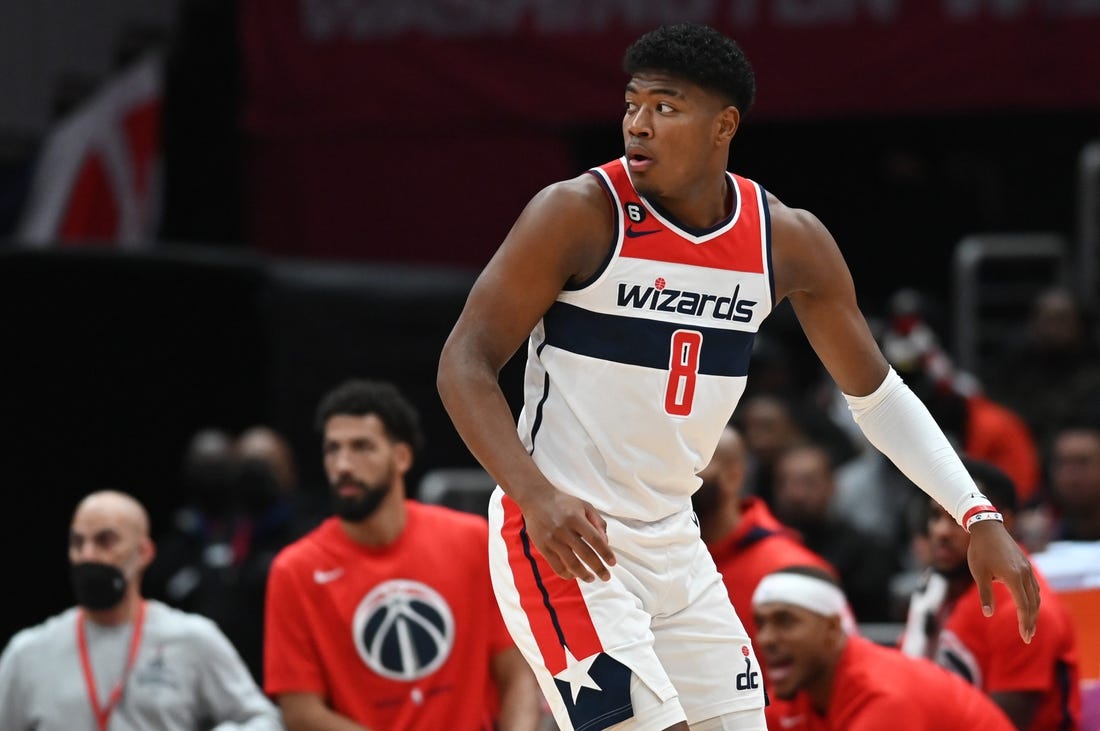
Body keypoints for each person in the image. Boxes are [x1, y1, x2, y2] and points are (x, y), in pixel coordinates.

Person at [436, 22, 1039, 731]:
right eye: (632, 104)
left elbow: (876, 396)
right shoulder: (578, 213)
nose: (639, 123)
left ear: (723, 125)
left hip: (676, 544)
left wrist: (977, 512)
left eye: (666, 106)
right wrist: (534, 494)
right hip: (566, 540)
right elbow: (465, 361)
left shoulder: (784, 239)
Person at [262, 379, 542, 731]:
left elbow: (517, 673)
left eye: (361, 447)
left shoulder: (470, 540)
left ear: (402, 457)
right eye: (332, 450)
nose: (343, 465)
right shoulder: (295, 570)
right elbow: (301, 714)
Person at [0, 490, 283, 731]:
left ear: (144, 552)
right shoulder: (28, 652)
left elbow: (265, 720)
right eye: (77, 543)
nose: (87, 555)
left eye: (105, 541)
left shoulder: (191, 638)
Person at [899, 457, 1082, 730]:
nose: (940, 532)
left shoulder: (1021, 609)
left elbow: (1001, 725)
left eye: (955, 518)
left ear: (1002, 523)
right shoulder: (936, 589)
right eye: (935, 516)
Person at [753, 566, 1016, 731]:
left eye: (785, 621)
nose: (766, 639)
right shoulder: (797, 694)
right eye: (760, 623)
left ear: (833, 629)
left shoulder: (884, 697)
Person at [693, 423, 835, 642]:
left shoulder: (791, 568)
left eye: (694, 464)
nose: (676, 476)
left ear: (732, 477)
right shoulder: (648, 553)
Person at [771, 443, 900, 622]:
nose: (796, 494)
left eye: (808, 483)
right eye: (785, 482)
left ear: (832, 485)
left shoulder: (863, 551)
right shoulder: (763, 545)